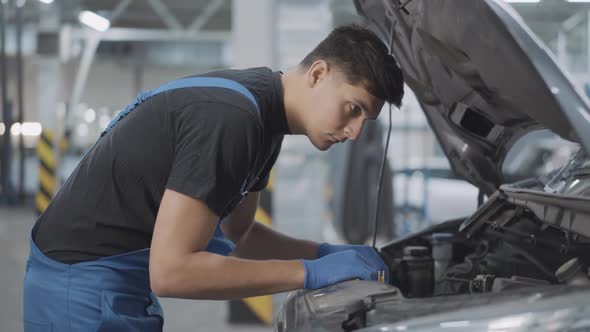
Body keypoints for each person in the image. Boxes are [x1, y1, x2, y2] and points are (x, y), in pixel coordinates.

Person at [23, 24, 404, 331]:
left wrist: (321, 253)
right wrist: (310, 272)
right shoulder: (233, 119)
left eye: (364, 121)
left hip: (113, 280)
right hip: (79, 290)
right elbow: (171, 272)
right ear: (318, 74)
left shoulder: (265, 119)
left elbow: (242, 234)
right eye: (352, 109)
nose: (355, 133)